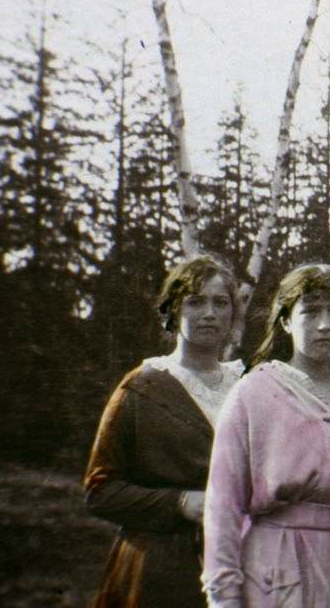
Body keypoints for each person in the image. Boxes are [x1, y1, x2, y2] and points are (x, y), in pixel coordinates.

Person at [201, 264, 330, 607]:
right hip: (277, 571)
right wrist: (224, 597)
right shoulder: (253, 392)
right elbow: (222, 506)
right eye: (310, 311)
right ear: (286, 321)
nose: (325, 324)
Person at [85, 254, 245, 608]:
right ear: (172, 310)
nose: (209, 313)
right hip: (161, 568)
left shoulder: (249, 385)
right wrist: (181, 502)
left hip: (244, 558)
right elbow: (100, 490)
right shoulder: (140, 389)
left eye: (221, 303)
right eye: (195, 301)